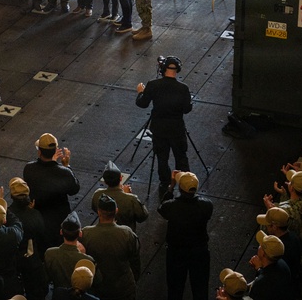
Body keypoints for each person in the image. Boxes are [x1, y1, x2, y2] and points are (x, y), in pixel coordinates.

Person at [136, 55, 192, 200]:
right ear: (178, 70)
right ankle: (186, 184)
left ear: (162, 69)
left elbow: (142, 104)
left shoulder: (153, 85)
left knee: (162, 157)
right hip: (177, 129)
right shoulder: (183, 88)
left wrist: (140, 92)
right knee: (181, 157)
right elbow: (187, 109)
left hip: (159, 129)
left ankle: (164, 183)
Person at [157, 171, 212, 300]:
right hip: (200, 251)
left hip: (176, 252)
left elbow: (161, 208)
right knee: (200, 288)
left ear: (180, 188)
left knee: (175, 288)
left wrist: (171, 187)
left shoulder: (171, 206)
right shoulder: (207, 205)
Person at [23, 132, 80, 250]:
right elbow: (74, 189)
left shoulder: (29, 169)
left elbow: (43, 171)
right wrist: (65, 166)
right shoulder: (64, 173)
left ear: (39, 151)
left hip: (39, 221)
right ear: (55, 151)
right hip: (59, 222)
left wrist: (53, 163)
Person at [80, 195, 141, 300]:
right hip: (123, 288)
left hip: (98, 288)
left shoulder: (86, 233)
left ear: (99, 212)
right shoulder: (127, 233)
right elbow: (135, 259)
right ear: (116, 211)